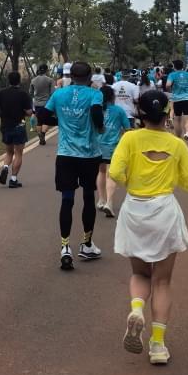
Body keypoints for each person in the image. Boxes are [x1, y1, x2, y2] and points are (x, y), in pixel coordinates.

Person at [110, 90, 188, 365]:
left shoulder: (129, 139)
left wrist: (131, 181)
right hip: (164, 212)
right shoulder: (176, 145)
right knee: (162, 280)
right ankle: (158, 346)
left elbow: (114, 173)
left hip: (135, 210)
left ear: (139, 114)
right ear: (166, 115)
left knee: (140, 274)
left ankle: (136, 309)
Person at [44, 60, 105, 270]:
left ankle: (65, 247)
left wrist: (59, 121)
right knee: (88, 197)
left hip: (66, 155)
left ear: (71, 76)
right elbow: (97, 113)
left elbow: (43, 114)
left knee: (67, 199)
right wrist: (100, 126)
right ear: (89, 78)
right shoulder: (95, 94)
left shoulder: (59, 94)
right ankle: (87, 244)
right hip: (89, 154)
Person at [0, 71, 33, 188]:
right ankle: (13, 179)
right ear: (19, 81)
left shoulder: (1, 93)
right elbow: (29, 112)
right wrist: (27, 112)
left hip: (5, 126)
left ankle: (5, 168)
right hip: (19, 126)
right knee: (18, 153)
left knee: (9, 151)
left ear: (8, 80)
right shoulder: (23, 94)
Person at [96, 85, 132, 217]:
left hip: (97, 147)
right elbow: (127, 129)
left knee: (101, 172)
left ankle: (101, 199)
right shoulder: (119, 111)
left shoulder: (96, 110)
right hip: (114, 147)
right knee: (111, 174)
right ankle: (109, 203)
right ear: (112, 97)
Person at [166, 59, 188, 146]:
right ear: (182, 66)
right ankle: (187, 133)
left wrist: (171, 91)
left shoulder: (172, 75)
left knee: (177, 119)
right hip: (187, 99)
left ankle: (178, 140)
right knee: (187, 119)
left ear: (174, 67)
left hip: (176, 99)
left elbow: (168, 85)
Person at [30, 64, 56, 145]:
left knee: (39, 121)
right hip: (47, 104)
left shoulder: (33, 80)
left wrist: (36, 96)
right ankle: (43, 135)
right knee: (46, 120)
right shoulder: (50, 80)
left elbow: (30, 92)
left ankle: (40, 136)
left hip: (37, 104)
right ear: (46, 70)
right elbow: (53, 93)